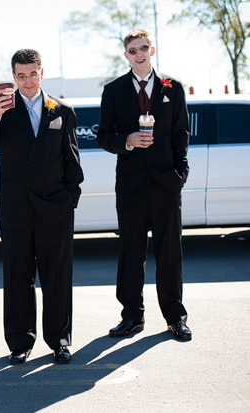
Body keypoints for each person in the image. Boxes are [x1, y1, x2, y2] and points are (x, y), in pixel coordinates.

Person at [0, 49, 84, 364]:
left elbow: (72, 162)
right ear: (14, 77)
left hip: (55, 211)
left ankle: (59, 341)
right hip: (16, 211)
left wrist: (69, 201)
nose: (27, 80)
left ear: (41, 73)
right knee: (18, 279)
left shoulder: (62, 110)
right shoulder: (2, 109)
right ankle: (20, 342)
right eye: (21, 75)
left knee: (57, 279)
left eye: (33, 74)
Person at [97, 29, 192, 341]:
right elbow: (103, 136)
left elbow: (181, 134)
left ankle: (175, 317)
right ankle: (132, 317)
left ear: (152, 50)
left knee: (170, 253)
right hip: (131, 186)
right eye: (132, 50)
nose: (139, 54)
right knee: (130, 252)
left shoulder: (172, 88)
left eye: (144, 48)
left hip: (166, 184)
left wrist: (180, 175)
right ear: (126, 55)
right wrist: (127, 140)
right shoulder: (113, 91)